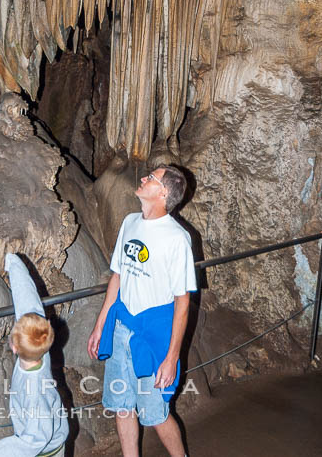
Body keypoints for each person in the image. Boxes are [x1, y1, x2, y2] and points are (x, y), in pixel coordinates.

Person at [87, 166, 196, 457]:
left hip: (153, 336)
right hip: (122, 326)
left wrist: (172, 357)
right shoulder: (130, 222)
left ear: (163, 193)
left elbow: (182, 303)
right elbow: (118, 277)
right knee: (122, 407)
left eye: (152, 178)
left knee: (155, 413)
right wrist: (100, 326)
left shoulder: (177, 238)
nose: (144, 178)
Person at [0, 253, 69, 456]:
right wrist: (14, 265)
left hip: (45, 450)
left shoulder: (33, 393)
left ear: (13, 347)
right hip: (49, 436)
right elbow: (30, 306)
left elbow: (34, 439)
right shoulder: (41, 350)